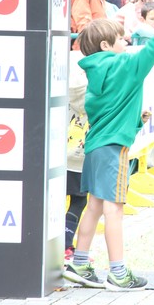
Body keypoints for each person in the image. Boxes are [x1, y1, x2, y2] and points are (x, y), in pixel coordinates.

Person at [63, 2, 154, 291]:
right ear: (107, 44)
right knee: (114, 208)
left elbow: (105, 108)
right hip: (113, 148)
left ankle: (80, 262)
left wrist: (135, 118)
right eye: (121, 38)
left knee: (94, 206)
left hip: (95, 146)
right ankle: (118, 272)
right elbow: (152, 50)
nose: (127, 40)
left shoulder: (96, 72)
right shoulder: (125, 66)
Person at [65, 49, 89, 262]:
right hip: (80, 157)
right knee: (79, 201)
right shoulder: (95, 89)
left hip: (59, 155)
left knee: (52, 201)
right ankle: (66, 245)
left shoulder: (62, 83)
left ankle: (59, 244)